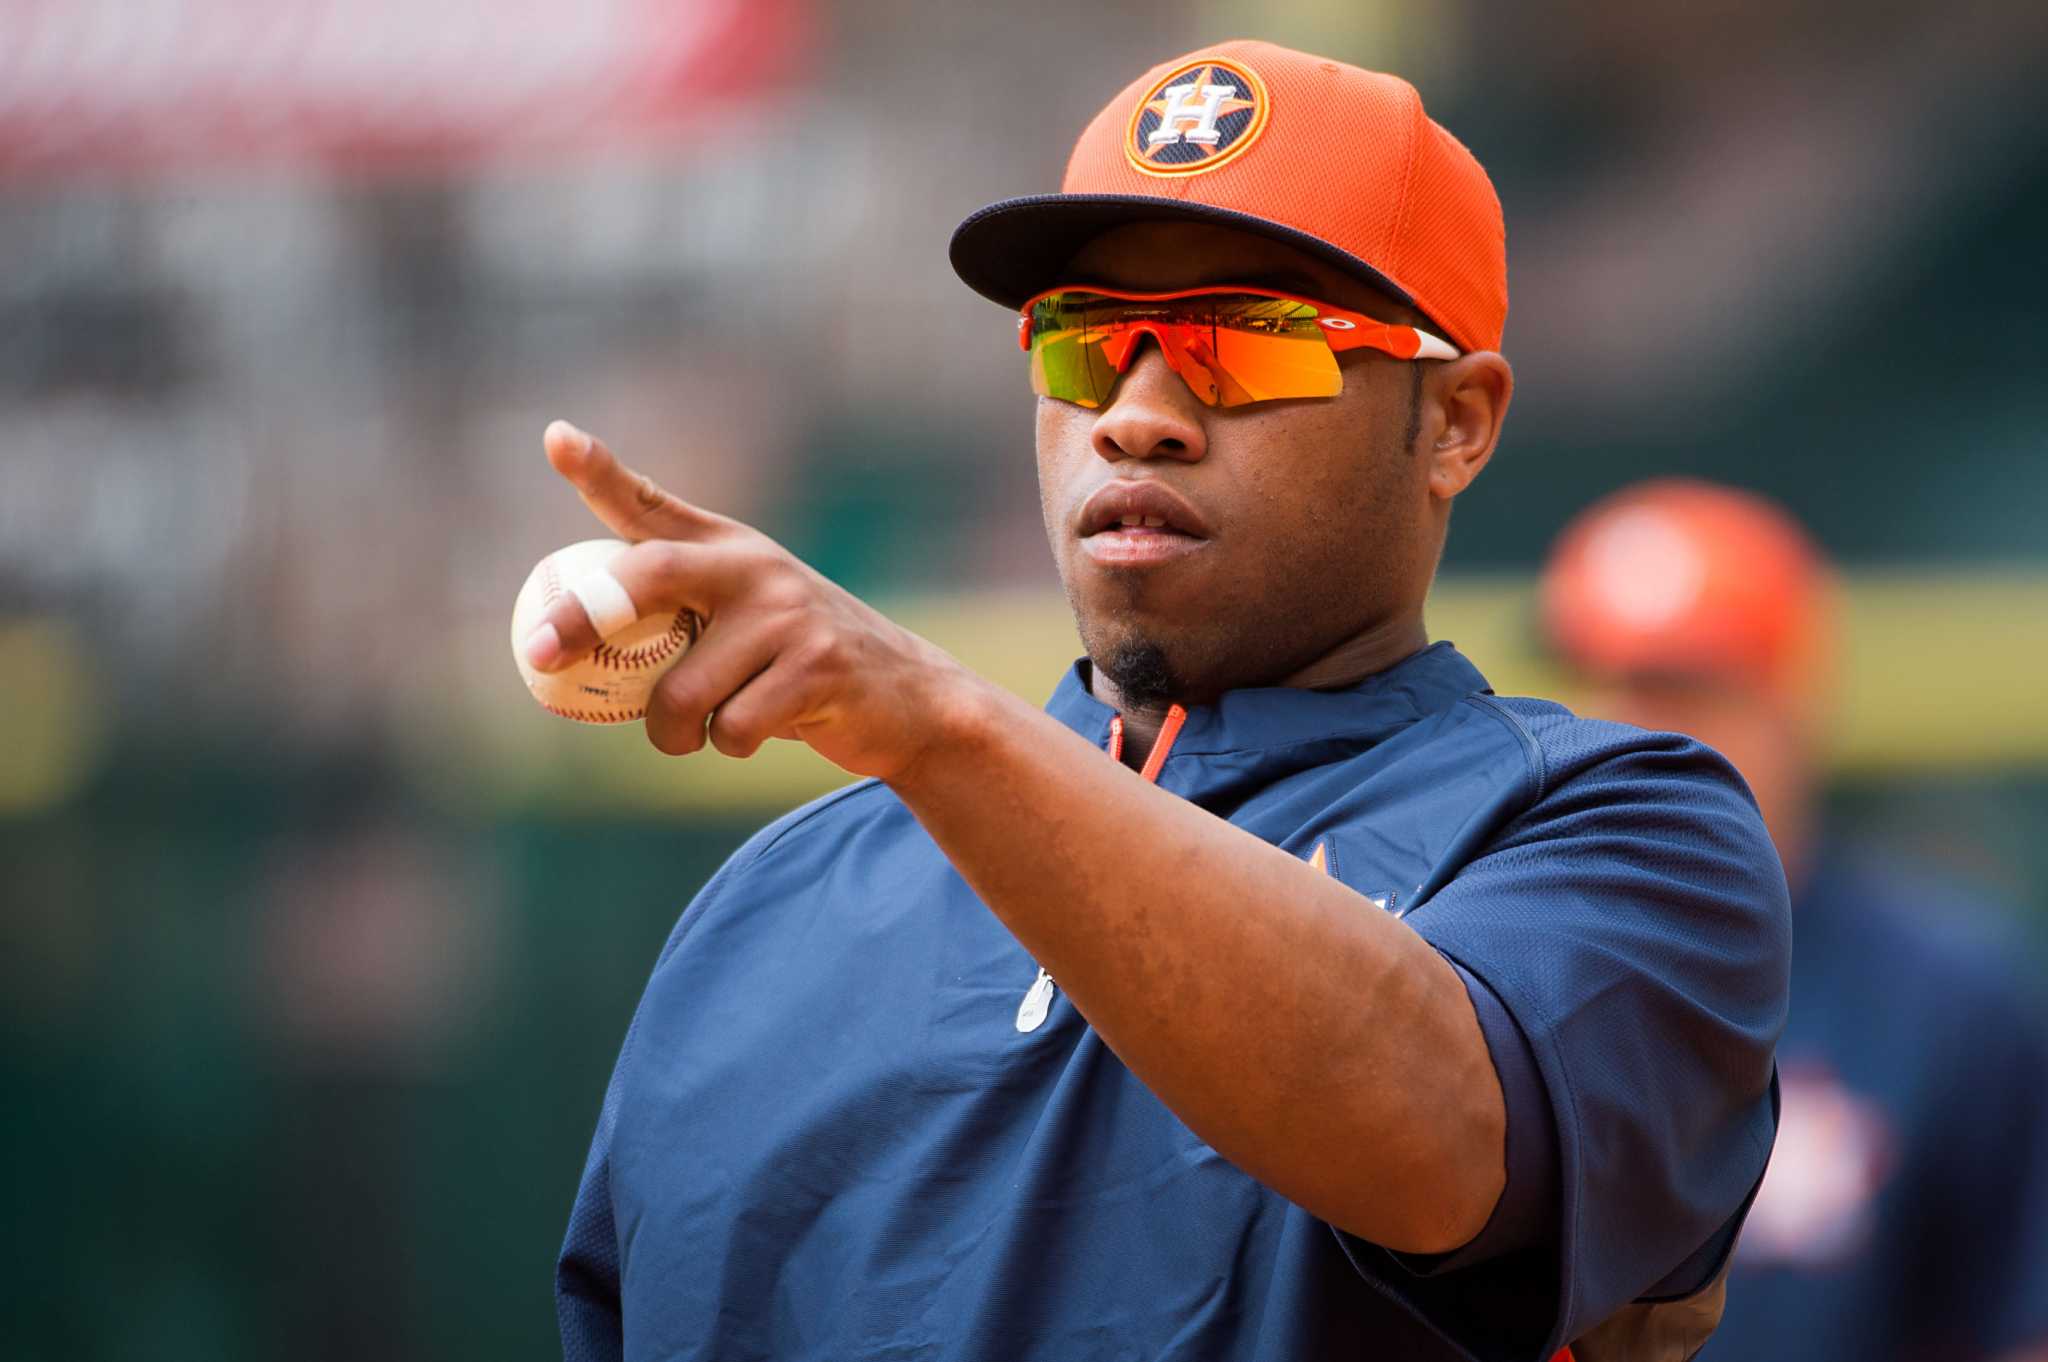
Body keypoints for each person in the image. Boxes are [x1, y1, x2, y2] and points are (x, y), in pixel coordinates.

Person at [544, 41, 1789, 1362]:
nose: (1137, 415)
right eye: (1083, 344)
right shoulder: (766, 916)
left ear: (1457, 422)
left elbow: (1437, 1142)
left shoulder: (1618, 834)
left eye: (1245, 344)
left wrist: (942, 726)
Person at [1542, 479, 2048, 1362]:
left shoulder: (1947, 993)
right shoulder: (1503, 965)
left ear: (1790, 704)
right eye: (1604, 683)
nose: (1631, 728)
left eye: (1682, 688)